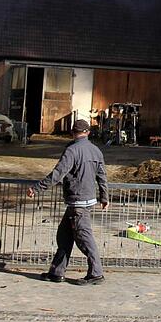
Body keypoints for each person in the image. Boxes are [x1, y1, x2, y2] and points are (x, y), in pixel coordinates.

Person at [27, 118, 109, 284]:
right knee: (64, 236)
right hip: (85, 199)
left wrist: (37, 188)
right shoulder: (96, 151)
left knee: (84, 238)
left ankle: (96, 273)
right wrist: (104, 197)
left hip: (77, 200)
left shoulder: (72, 150)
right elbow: (102, 176)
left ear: (72, 132)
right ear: (88, 132)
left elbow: (58, 173)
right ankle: (57, 272)